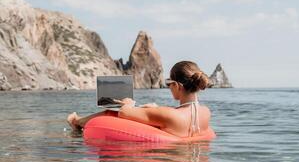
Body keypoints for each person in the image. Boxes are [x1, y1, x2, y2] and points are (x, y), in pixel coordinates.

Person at [67, 61, 212, 137]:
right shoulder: (206, 112)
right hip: (186, 156)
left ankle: (77, 122)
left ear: (177, 86)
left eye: (169, 84)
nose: (168, 87)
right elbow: (181, 115)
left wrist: (129, 103)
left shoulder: (169, 114)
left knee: (111, 113)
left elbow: (124, 112)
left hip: (167, 160)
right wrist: (156, 110)